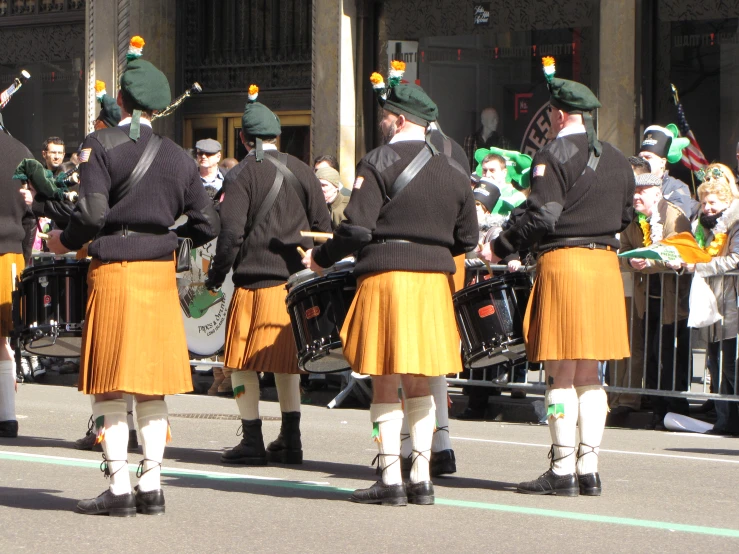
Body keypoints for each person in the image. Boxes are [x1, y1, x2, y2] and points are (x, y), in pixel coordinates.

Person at [46, 35, 220, 517]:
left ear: (119, 100)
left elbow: (92, 214)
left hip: (116, 272)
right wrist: (166, 235)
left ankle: (119, 485)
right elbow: (209, 225)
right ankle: (154, 484)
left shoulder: (100, 146)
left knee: (110, 383)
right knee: (151, 383)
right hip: (159, 273)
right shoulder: (180, 158)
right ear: (158, 107)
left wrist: (64, 240)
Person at [302, 65, 477, 506]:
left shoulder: (378, 161)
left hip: (387, 278)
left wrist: (320, 259)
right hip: (434, 282)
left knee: (384, 382)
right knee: (419, 382)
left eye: (385, 116)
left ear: (399, 120)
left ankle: (390, 478)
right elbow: (469, 238)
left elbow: (356, 229)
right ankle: (421, 478)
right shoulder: (454, 167)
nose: (381, 122)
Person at [478, 56, 634, 496]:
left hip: (565, 264)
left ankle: (563, 469)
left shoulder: (552, 153)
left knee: (561, 373)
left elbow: (544, 215)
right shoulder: (620, 159)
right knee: (590, 374)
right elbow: (624, 216)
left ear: (558, 114)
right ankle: (590, 469)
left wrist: (501, 246)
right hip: (604, 264)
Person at [205, 84, 331, 467]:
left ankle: (252, 439)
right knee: (286, 362)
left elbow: (230, 236)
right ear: (276, 135)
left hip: (255, 283)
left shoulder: (242, 174)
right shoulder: (304, 171)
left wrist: (215, 277)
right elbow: (323, 227)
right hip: (294, 287)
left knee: (242, 363)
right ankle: (291, 440)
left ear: (243, 139)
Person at [610, 173, 692, 429]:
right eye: (634, 192)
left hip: (672, 297)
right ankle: (657, 409)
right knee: (650, 355)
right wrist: (630, 261)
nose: (635, 197)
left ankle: (674, 407)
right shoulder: (632, 218)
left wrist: (648, 263)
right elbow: (622, 251)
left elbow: (677, 251)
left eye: (641, 192)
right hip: (646, 298)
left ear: (656, 193)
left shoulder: (674, 215)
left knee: (668, 354)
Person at [682, 163, 739, 435]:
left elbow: (735, 259)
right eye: (704, 202)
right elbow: (697, 254)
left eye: (713, 202)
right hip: (711, 299)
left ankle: (731, 418)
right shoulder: (703, 226)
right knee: (714, 360)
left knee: (730, 362)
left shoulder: (736, 221)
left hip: (731, 300)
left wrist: (701, 267)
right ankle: (724, 417)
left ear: (726, 201)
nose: (707, 207)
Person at [0, 131, 36, 438]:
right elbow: (31, 216)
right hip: (10, 255)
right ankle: (7, 415)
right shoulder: (21, 150)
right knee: (4, 339)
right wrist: (22, 258)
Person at [637, 125, 699, 219]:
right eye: (641, 158)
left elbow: (677, 219)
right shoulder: (632, 186)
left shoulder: (677, 187)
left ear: (662, 162)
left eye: (648, 157)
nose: (643, 161)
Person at [316, 166, 349, 230]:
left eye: (324, 185)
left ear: (336, 187)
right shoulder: (315, 206)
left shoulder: (348, 206)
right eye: (317, 185)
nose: (320, 189)